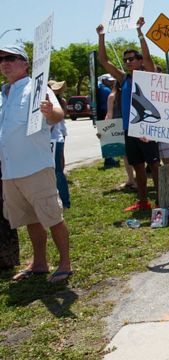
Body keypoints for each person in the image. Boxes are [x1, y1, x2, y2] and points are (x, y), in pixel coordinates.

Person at [0, 45, 72, 283]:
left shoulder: (37, 88)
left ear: (25, 63)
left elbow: (58, 115)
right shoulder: (3, 93)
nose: (5, 63)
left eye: (11, 58)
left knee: (53, 216)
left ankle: (65, 264)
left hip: (36, 166)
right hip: (10, 170)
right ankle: (39, 263)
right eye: (1, 59)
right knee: (30, 219)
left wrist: (50, 112)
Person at [97, 17, 160, 212]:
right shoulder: (123, 78)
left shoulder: (147, 74)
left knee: (154, 165)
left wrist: (140, 32)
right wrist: (101, 37)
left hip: (147, 127)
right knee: (137, 166)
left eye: (132, 59)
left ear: (140, 61)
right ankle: (143, 201)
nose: (128, 62)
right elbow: (104, 61)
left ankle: (161, 200)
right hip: (128, 128)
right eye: (125, 60)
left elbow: (149, 59)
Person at [104, 80, 136, 189]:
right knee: (130, 155)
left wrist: (105, 131)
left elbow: (108, 116)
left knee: (126, 155)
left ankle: (131, 179)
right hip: (127, 126)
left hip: (119, 127)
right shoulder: (128, 94)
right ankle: (133, 179)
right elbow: (108, 115)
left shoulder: (112, 96)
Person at [48, 80, 71, 209]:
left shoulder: (55, 102)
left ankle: (64, 201)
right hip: (58, 137)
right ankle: (63, 200)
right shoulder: (60, 101)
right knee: (58, 170)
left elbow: (51, 124)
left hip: (53, 139)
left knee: (56, 171)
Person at [97, 74, 120, 169]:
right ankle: (109, 159)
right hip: (106, 116)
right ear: (104, 81)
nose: (112, 82)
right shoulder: (106, 90)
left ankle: (109, 158)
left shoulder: (99, 89)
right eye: (109, 80)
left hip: (102, 116)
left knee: (106, 138)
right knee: (108, 137)